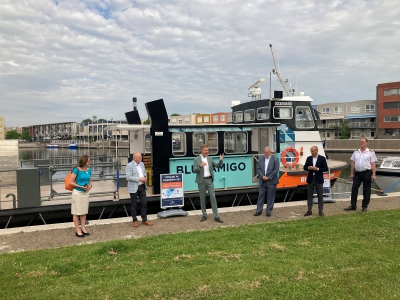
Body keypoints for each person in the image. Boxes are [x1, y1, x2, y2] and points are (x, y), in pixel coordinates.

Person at [193, 144, 224, 223]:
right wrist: (200, 166)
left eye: (208, 150)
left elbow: (217, 166)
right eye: (206, 150)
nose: (207, 152)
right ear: (202, 150)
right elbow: (194, 170)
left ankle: (216, 216)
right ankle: (204, 215)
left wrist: (220, 160)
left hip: (209, 180)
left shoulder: (210, 158)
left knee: (213, 197)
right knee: (202, 198)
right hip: (201, 181)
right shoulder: (196, 159)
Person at [345, 137, 377, 212]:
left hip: (367, 172)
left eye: (363, 141)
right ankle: (353, 205)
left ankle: (364, 206)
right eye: (360, 142)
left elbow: (373, 164)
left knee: (366, 190)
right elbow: (353, 163)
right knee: (354, 188)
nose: (361, 143)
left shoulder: (371, 152)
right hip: (357, 173)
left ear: (366, 143)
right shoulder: (356, 152)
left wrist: (374, 174)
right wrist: (352, 173)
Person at [126, 152, 153, 227]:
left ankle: (144, 219)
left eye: (141, 157)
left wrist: (145, 178)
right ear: (135, 158)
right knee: (134, 205)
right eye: (139, 157)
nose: (141, 158)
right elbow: (128, 177)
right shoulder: (129, 165)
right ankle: (135, 220)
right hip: (134, 187)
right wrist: (139, 179)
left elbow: (144, 173)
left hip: (142, 186)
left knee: (144, 203)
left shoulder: (142, 164)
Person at [69, 155, 92, 237]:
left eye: (90, 160)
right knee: (76, 212)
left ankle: (83, 228)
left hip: (85, 193)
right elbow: (70, 182)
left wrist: (89, 186)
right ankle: (77, 230)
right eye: (88, 161)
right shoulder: (76, 170)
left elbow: (90, 181)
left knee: (84, 211)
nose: (90, 162)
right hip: (78, 193)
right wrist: (81, 187)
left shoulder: (89, 170)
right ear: (84, 161)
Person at [303, 146, 328, 217]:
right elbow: (304, 167)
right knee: (309, 195)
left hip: (318, 179)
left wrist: (317, 169)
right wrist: (309, 168)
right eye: (311, 151)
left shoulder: (322, 158)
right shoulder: (309, 158)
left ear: (317, 151)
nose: (312, 152)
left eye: (313, 151)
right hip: (311, 178)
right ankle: (309, 210)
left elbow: (325, 168)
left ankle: (320, 211)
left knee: (320, 195)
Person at [254, 147, 279, 217]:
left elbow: (276, 170)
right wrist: (262, 176)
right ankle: (258, 211)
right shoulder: (261, 159)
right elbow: (258, 168)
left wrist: (268, 177)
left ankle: (269, 211)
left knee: (270, 197)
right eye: (264, 152)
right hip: (262, 181)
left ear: (270, 152)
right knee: (260, 196)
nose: (265, 153)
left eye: (266, 152)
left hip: (271, 181)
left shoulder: (275, 159)